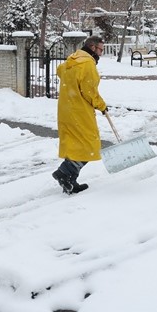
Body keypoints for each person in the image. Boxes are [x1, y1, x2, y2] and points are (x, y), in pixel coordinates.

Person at [53, 35, 108, 194]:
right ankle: (63, 172)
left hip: (66, 110)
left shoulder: (71, 61)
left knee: (75, 146)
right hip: (80, 111)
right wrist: (102, 106)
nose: (101, 54)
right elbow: (90, 92)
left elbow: (59, 71)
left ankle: (70, 181)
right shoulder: (87, 64)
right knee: (89, 145)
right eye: (100, 50)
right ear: (92, 47)